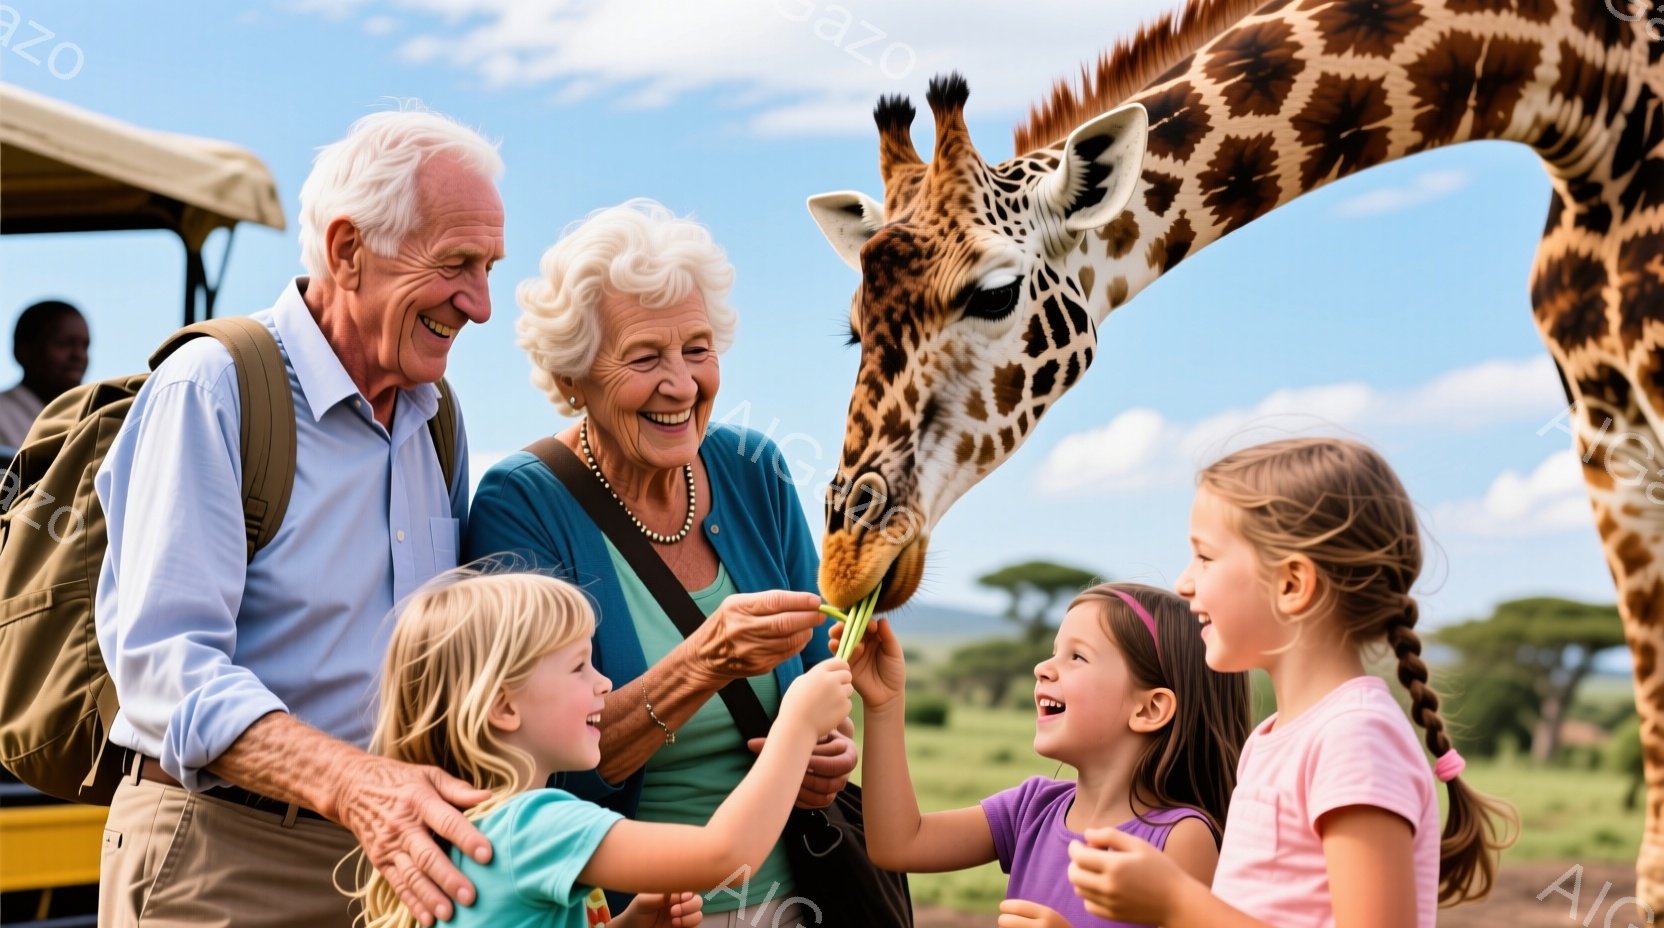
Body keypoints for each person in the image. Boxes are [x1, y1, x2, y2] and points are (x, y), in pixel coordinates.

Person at [94, 105, 506, 928]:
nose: (481, 304)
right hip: (222, 857)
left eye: (489, 267)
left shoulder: (437, 418)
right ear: (348, 250)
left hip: (393, 857)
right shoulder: (212, 387)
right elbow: (165, 669)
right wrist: (356, 785)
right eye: (456, 263)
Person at [464, 198, 856, 925]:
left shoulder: (754, 469)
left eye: (698, 349)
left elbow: (817, 675)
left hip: (796, 901)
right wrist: (704, 661)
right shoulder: (521, 503)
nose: (681, 384)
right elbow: (533, 762)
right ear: (574, 376)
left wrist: (827, 747)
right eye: (645, 357)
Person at [1066, 437, 1517, 927]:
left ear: (1291, 584)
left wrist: (1177, 903)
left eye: (1205, 557)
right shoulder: (1271, 740)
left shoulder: (1355, 738)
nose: (1183, 582)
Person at [352, 566, 855, 928]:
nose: (604, 683)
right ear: (504, 707)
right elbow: (723, 855)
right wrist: (797, 722)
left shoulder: (473, 827)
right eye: (578, 667)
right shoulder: (536, 824)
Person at [838, 582, 1251, 928]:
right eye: (1054, 651)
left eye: (1077, 656)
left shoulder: (1181, 838)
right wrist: (884, 704)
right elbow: (899, 845)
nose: (1042, 667)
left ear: (1149, 709)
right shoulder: (1032, 809)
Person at [0, 299, 89, 451]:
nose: (78, 355)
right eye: (63, 344)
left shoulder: (90, 420)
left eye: (85, 346)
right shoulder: (4, 415)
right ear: (23, 351)